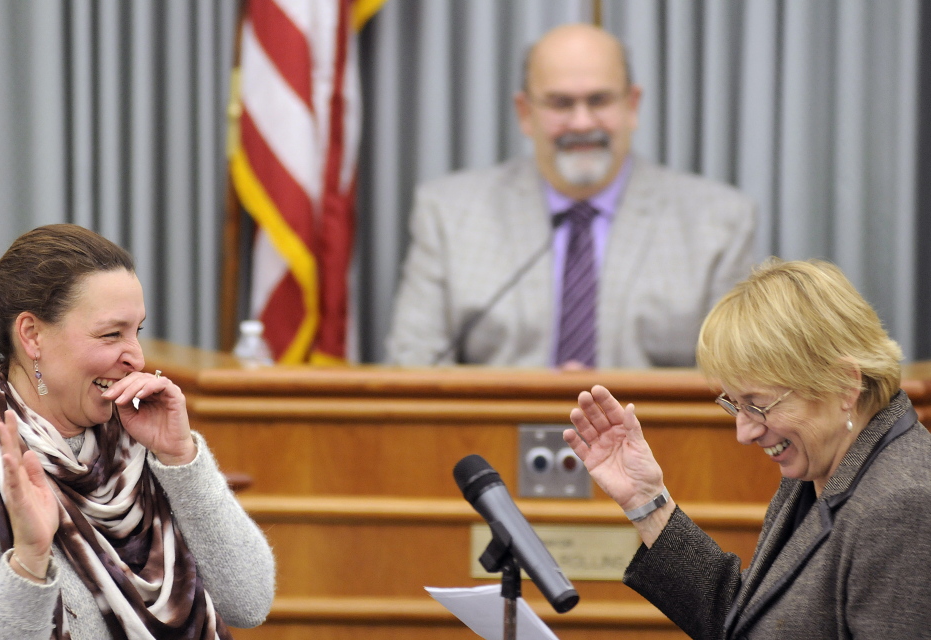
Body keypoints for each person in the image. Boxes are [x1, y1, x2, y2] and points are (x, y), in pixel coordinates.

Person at [0, 225, 275, 639]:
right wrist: (29, 563)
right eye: (111, 334)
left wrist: (182, 457)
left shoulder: (137, 444)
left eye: (137, 331)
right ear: (31, 335)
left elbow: (249, 602)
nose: (136, 357)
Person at [563, 259, 931, 638]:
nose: (744, 431)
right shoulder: (816, 469)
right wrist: (647, 502)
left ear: (844, 384)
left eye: (758, 404)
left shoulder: (905, 505)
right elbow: (744, 621)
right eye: (735, 404)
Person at [386, 23, 756, 368]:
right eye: (561, 104)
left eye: (598, 100)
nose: (581, 123)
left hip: (653, 438)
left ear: (632, 105)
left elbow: (737, 382)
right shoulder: (449, 213)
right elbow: (412, 363)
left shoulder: (718, 222)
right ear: (525, 112)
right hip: (487, 437)